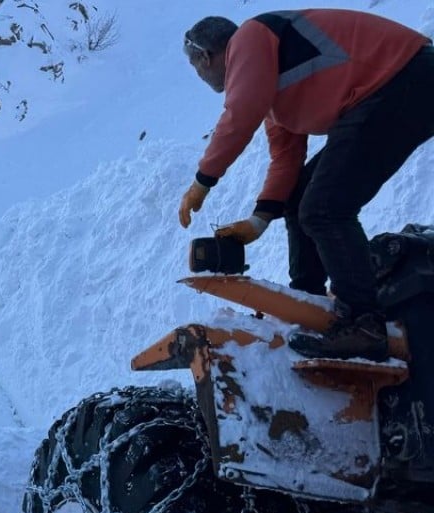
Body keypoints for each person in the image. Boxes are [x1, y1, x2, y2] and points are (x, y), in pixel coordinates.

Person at [177, 9, 434, 362]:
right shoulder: (269, 78)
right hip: (394, 86)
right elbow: (286, 158)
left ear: (205, 56)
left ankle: (364, 323)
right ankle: (309, 300)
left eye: (195, 68)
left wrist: (202, 182)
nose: (200, 76)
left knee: (324, 208)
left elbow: (239, 115)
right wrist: (259, 220)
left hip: (403, 78)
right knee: (302, 198)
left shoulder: (250, 38)